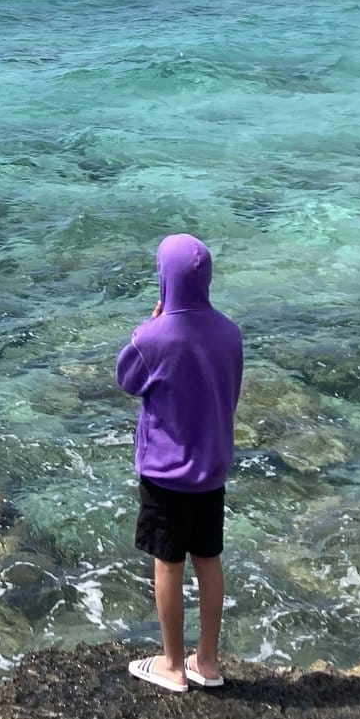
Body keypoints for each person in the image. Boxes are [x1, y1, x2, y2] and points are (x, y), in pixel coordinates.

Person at [115, 233, 243, 693]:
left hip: (165, 473)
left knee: (167, 563)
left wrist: (148, 325)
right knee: (208, 559)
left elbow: (127, 378)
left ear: (164, 280)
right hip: (211, 471)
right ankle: (206, 661)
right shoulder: (230, 333)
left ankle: (171, 664)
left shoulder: (154, 337)